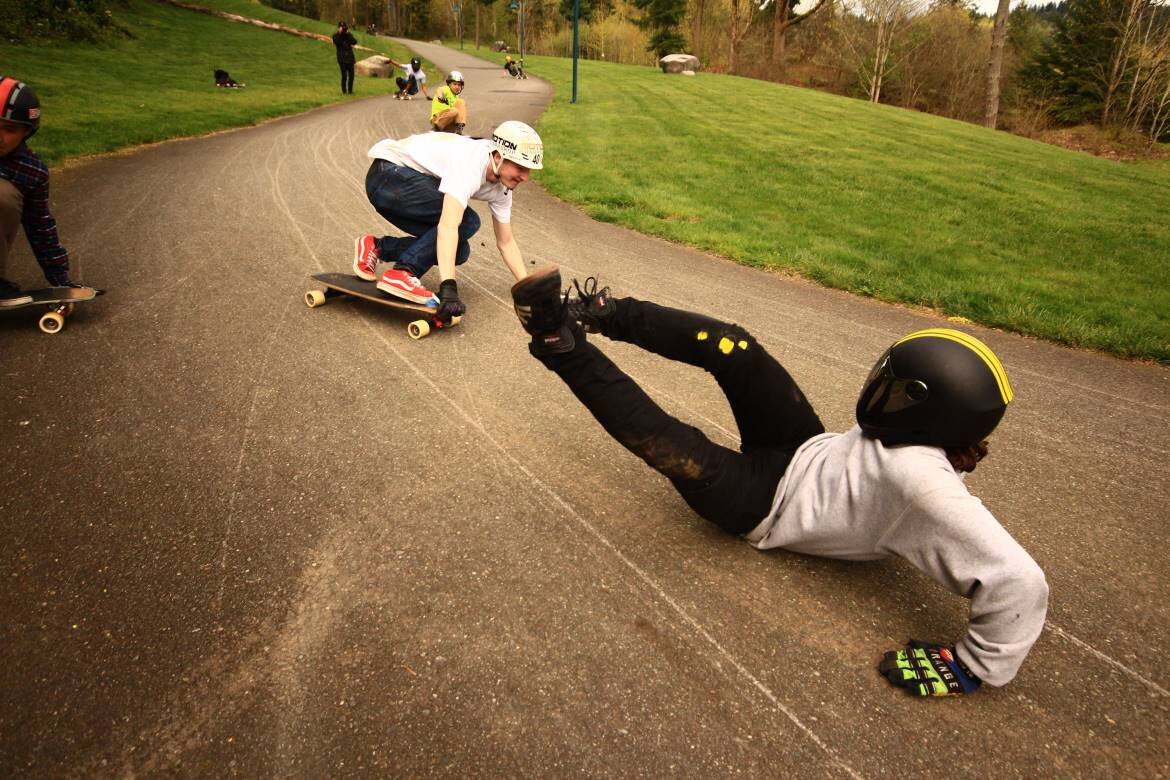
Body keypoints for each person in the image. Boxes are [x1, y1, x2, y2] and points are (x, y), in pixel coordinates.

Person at [508, 265, 1050, 698]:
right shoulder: (926, 441)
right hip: (804, 448)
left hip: (764, 507)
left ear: (932, 417)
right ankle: (599, 314)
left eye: (896, 389)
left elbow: (1021, 582)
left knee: (663, 437)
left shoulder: (925, 487)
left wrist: (973, 665)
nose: (879, 389)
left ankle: (559, 339)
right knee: (734, 348)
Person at [352, 121, 544, 323]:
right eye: (521, 168)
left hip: (398, 188)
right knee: (468, 221)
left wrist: (527, 286)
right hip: (387, 176)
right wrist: (448, 288)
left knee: (459, 252)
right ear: (498, 157)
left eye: (529, 169)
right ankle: (403, 272)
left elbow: (506, 242)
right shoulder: (471, 161)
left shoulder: (502, 188)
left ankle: (377, 247)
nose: (525, 177)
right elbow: (448, 226)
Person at [0, 76, 81, 306]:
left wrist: (60, 282)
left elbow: (40, 228)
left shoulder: (31, 172)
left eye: (9, 129)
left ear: (26, 132)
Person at [332, 21, 357, 95]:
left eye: (344, 27)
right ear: (338, 27)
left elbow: (354, 42)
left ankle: (350, 91)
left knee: (351, 75)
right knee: (344, 75)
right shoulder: (336, 36)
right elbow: (336, 41)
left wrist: (348, 34)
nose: (343, 29)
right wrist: (340, 33)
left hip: (350, 57)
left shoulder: (348, 35)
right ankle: (344, 91)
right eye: (341, 27)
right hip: (342, 58)